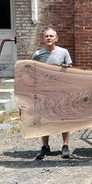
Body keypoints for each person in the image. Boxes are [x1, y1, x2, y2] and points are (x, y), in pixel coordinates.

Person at [32, 27, 73, 160]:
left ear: (56, 39)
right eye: (46, 36)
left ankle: (65, 146)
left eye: (51, 36)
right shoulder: (38, 54)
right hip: (44, 92)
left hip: (60, 91)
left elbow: (70, 69)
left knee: (63, 118)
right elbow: (32, 72)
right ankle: (45, 147)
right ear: (43, 39)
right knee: (44, 119)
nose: (49, 38)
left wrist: (66, 68)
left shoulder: (63, 52)